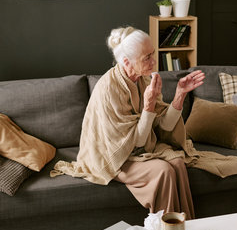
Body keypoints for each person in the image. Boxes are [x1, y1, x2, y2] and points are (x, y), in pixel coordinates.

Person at [52, 26, 212, 219]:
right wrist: (149, 105)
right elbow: (134, 142)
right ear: (127, 62)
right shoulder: (109, 89)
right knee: (163, 171)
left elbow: (165, 127)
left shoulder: (144, 80)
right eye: (147, 58)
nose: (154, 62)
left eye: (153, 54)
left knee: (177, 162)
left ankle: (186, 227)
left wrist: (180, 95)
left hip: (139, 148)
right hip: (113, 156)